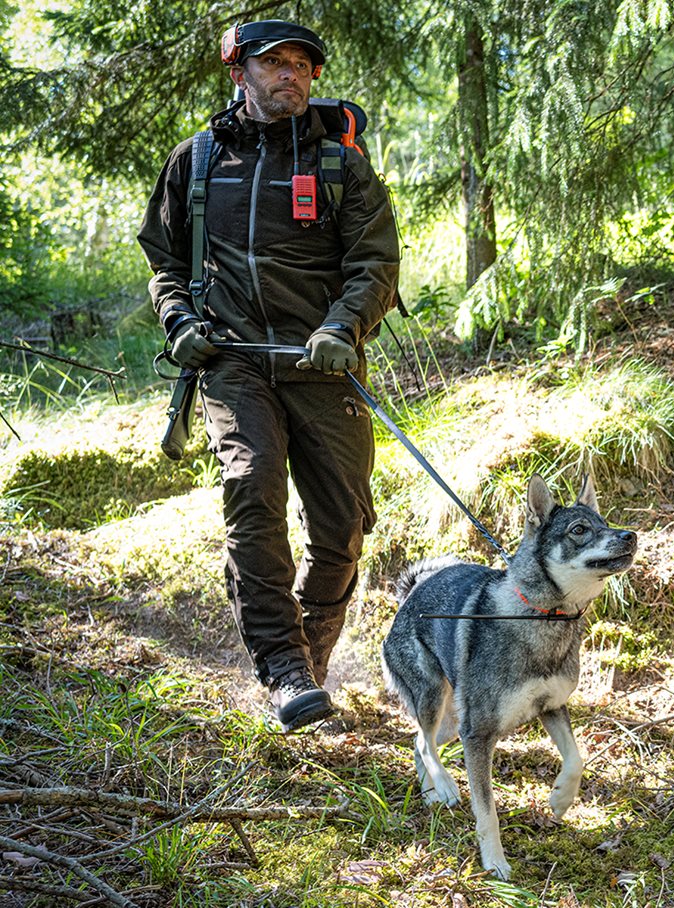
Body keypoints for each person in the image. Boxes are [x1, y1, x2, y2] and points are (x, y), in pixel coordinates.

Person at [138, 20, 400, 731]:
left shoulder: (342, 165)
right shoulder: (196, 161)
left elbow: (375, 264)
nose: (291, 74)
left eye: (303, 65)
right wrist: (180, 322)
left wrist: (341, 329)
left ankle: (310, 655)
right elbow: (165, 262)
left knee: (342, 523)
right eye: (274, 62)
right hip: (233, 363)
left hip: (323, 365)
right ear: (239, 74)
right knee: (252, 487)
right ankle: (282, 667)